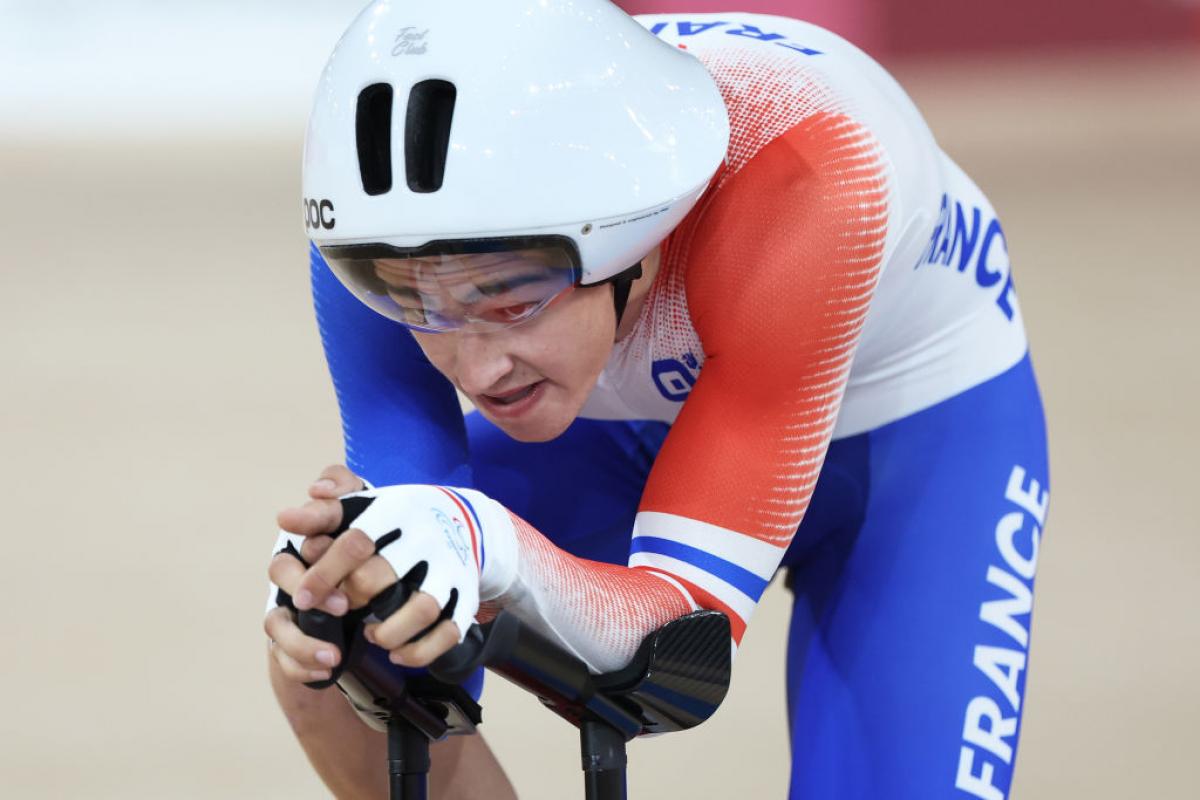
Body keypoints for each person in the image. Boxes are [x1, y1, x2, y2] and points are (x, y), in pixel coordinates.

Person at [264, 1, 1050, 798]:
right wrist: (374, 593)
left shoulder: (808, 182)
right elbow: (416, 641)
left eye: (509, 299)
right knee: (336, 631)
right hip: (650, 420)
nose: (476, 365)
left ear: (632, 236)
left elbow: (679, 651)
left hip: (913, 442)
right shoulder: (383, 234)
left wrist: (483, 544)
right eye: (419, 303)